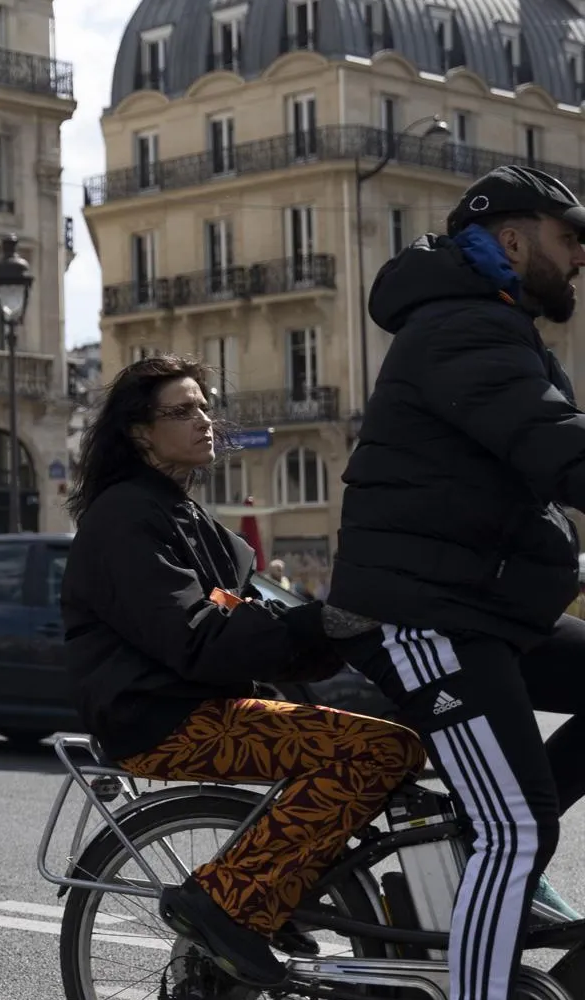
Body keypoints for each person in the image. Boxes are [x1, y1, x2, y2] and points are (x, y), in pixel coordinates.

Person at [61, 355, 425, 988]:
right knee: (381, 750)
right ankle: (224, 902)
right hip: (161, 720)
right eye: (181, 411)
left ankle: (269, 892)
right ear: (140, 432)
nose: (204, 420)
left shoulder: (204, 529)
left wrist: (346, 629)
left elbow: (267, 629)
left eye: (205, 406)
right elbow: (197, 638)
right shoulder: (124, 517)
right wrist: (317, 627)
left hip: (202, 710)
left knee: (383, 738)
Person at [327, 165, 585, 1000]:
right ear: (512, 240)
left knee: (510, 814)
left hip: (485, 604)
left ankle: (483, 845)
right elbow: (555, 446)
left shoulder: (503, 326)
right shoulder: (462, 330)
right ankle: (492, 874)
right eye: (569, 237)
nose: (580, 257)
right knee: (520, 823)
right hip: (428, 613)